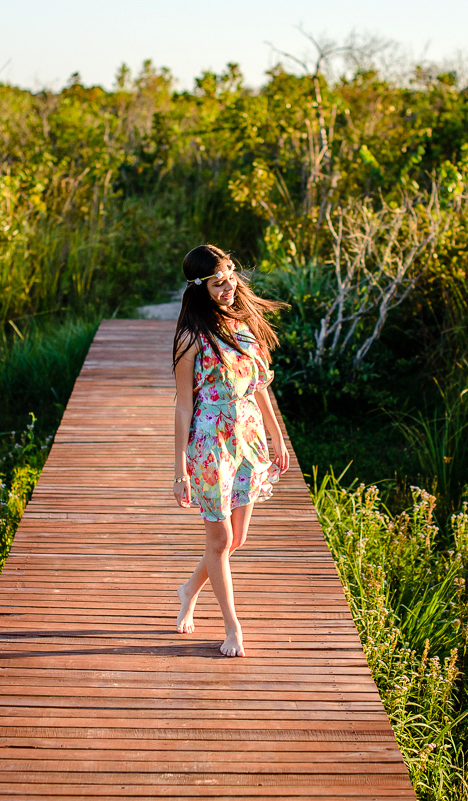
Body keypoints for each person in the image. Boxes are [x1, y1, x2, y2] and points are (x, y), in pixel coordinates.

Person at [171, 244, 290, 657]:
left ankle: (188, 589)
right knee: (220, 539)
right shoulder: (191, 337)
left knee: (235, 539)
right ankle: (231, 626)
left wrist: (277, 437)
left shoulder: (243, 325)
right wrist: (179, 470)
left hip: (248, 438)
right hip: (210, 444)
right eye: (218, 282)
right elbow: (184, 404)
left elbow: (259, 387)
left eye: (230, 277)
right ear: (199, 287)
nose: (228, 287)